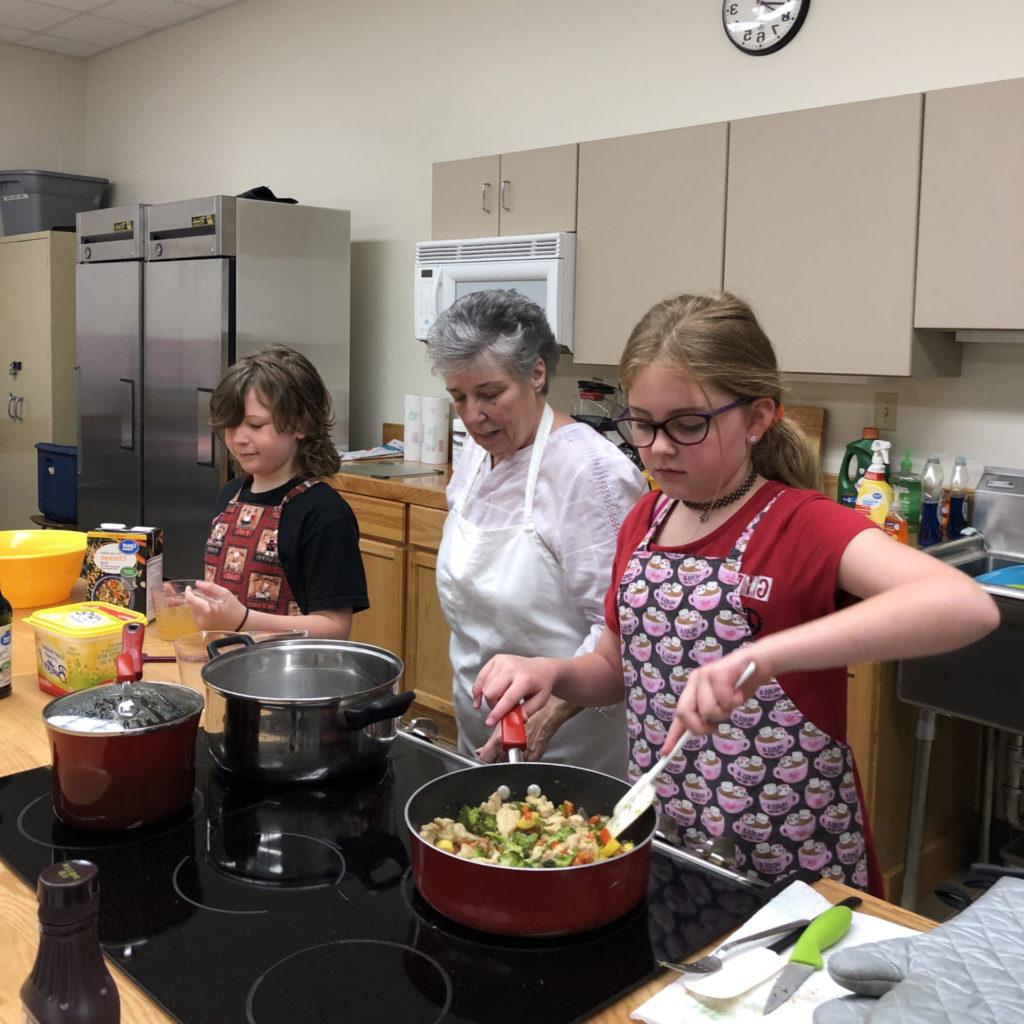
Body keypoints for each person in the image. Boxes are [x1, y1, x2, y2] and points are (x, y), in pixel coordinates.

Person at [473, 292, 999, 893]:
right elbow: (616, 671)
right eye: (642, 423)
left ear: (757, 417)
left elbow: (966, 606)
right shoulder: (645, 519)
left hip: (791, 862)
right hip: (672, 838)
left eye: (688, 424)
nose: (659, 447)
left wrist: (764, 657)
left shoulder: (798, 521)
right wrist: (553, 673)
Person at [426, 289, 647, 775]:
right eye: (458, 397)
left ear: (537, 373)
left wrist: (556, 708)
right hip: (482, 724)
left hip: (568, 743)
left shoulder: (590, 474)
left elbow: (625, 629)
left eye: (489, 394)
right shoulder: (476, 453)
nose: (471, 415)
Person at [185, 345, 368, 639]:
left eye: (255, 425)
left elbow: (335, 627)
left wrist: (243, 621)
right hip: (228, 665)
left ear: (301, 424)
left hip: (292, 676)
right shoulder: (229, 495)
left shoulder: (324, 513)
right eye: (230, 426)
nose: (239, 438)